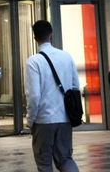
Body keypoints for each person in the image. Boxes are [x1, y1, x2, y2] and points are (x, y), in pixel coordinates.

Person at [25, 20, 80, 172]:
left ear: (35, 38)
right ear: (51, 36)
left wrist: (30, 120)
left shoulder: (33, 61)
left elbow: (33, 96)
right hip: (65, 119)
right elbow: (75, 87)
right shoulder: (66, 57)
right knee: (65, 160)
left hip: (43, 121)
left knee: (44, 164)